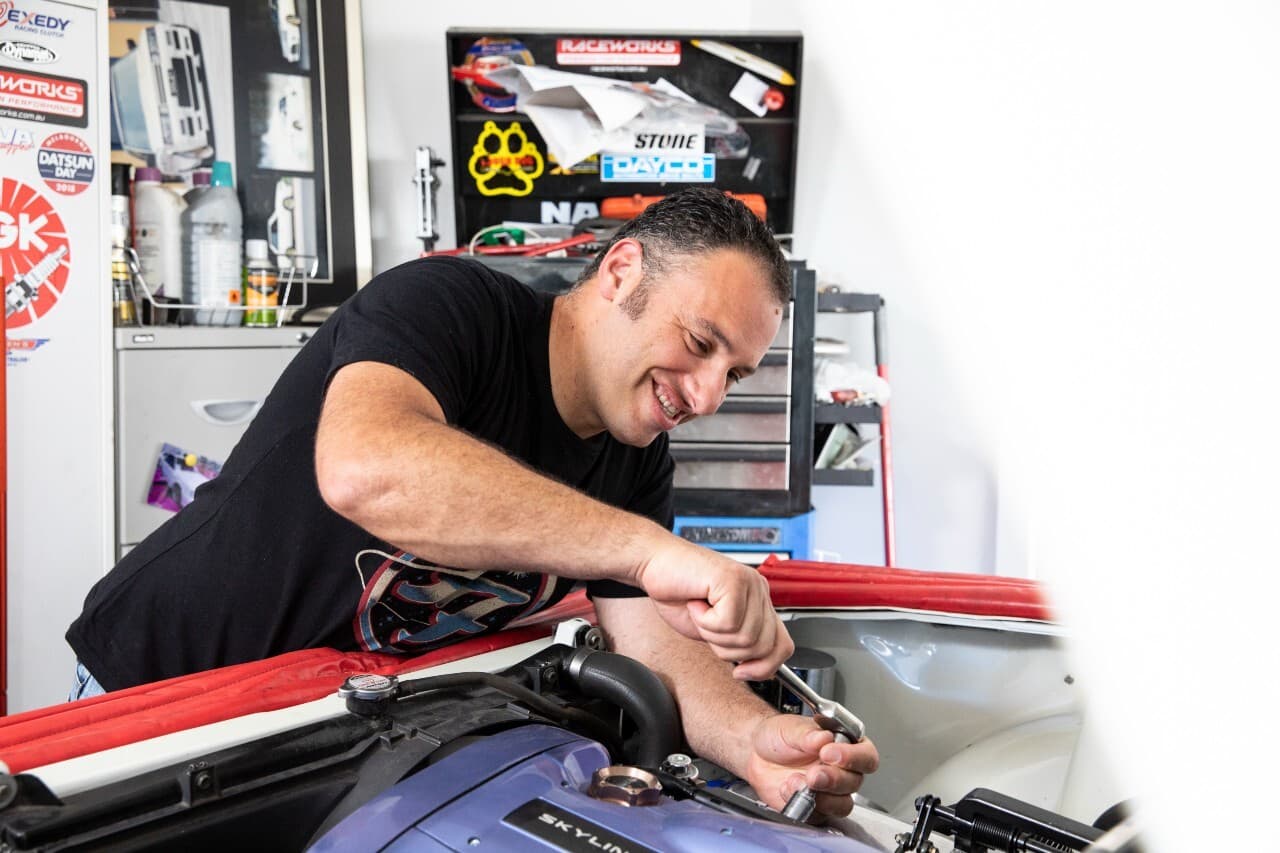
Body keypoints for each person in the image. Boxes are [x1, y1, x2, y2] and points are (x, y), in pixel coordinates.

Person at [67, 188, 878, 817]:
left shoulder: (636, 457)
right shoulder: (449, 308)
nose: (705, 395)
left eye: (733, 375)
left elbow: (647, 640)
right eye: (700, 344)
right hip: (155, 702)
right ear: (622, 271)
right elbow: (364, 468)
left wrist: (753, 740)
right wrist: (646, 551)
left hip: (309, 740)